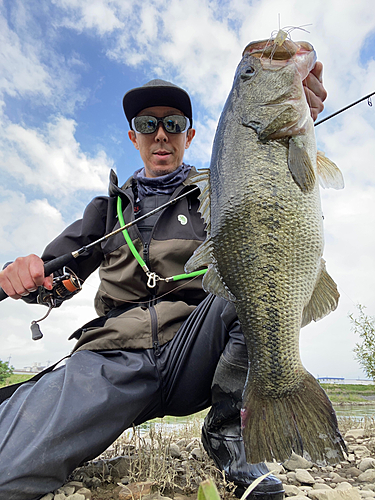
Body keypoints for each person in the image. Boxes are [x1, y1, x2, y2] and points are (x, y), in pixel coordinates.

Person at [0, 65, 327, 500]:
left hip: (197, 352)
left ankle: (232, 439)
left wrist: (297, 119)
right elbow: (52, 281)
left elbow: (270, 195)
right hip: (113, 360)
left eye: (172, 124)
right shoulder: (106, 211)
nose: (160, 135)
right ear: (133, 135)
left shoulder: (224, 187)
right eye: (146, 124)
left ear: (189, 136)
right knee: (9, 467)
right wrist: (25, 276)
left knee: (248, 285)